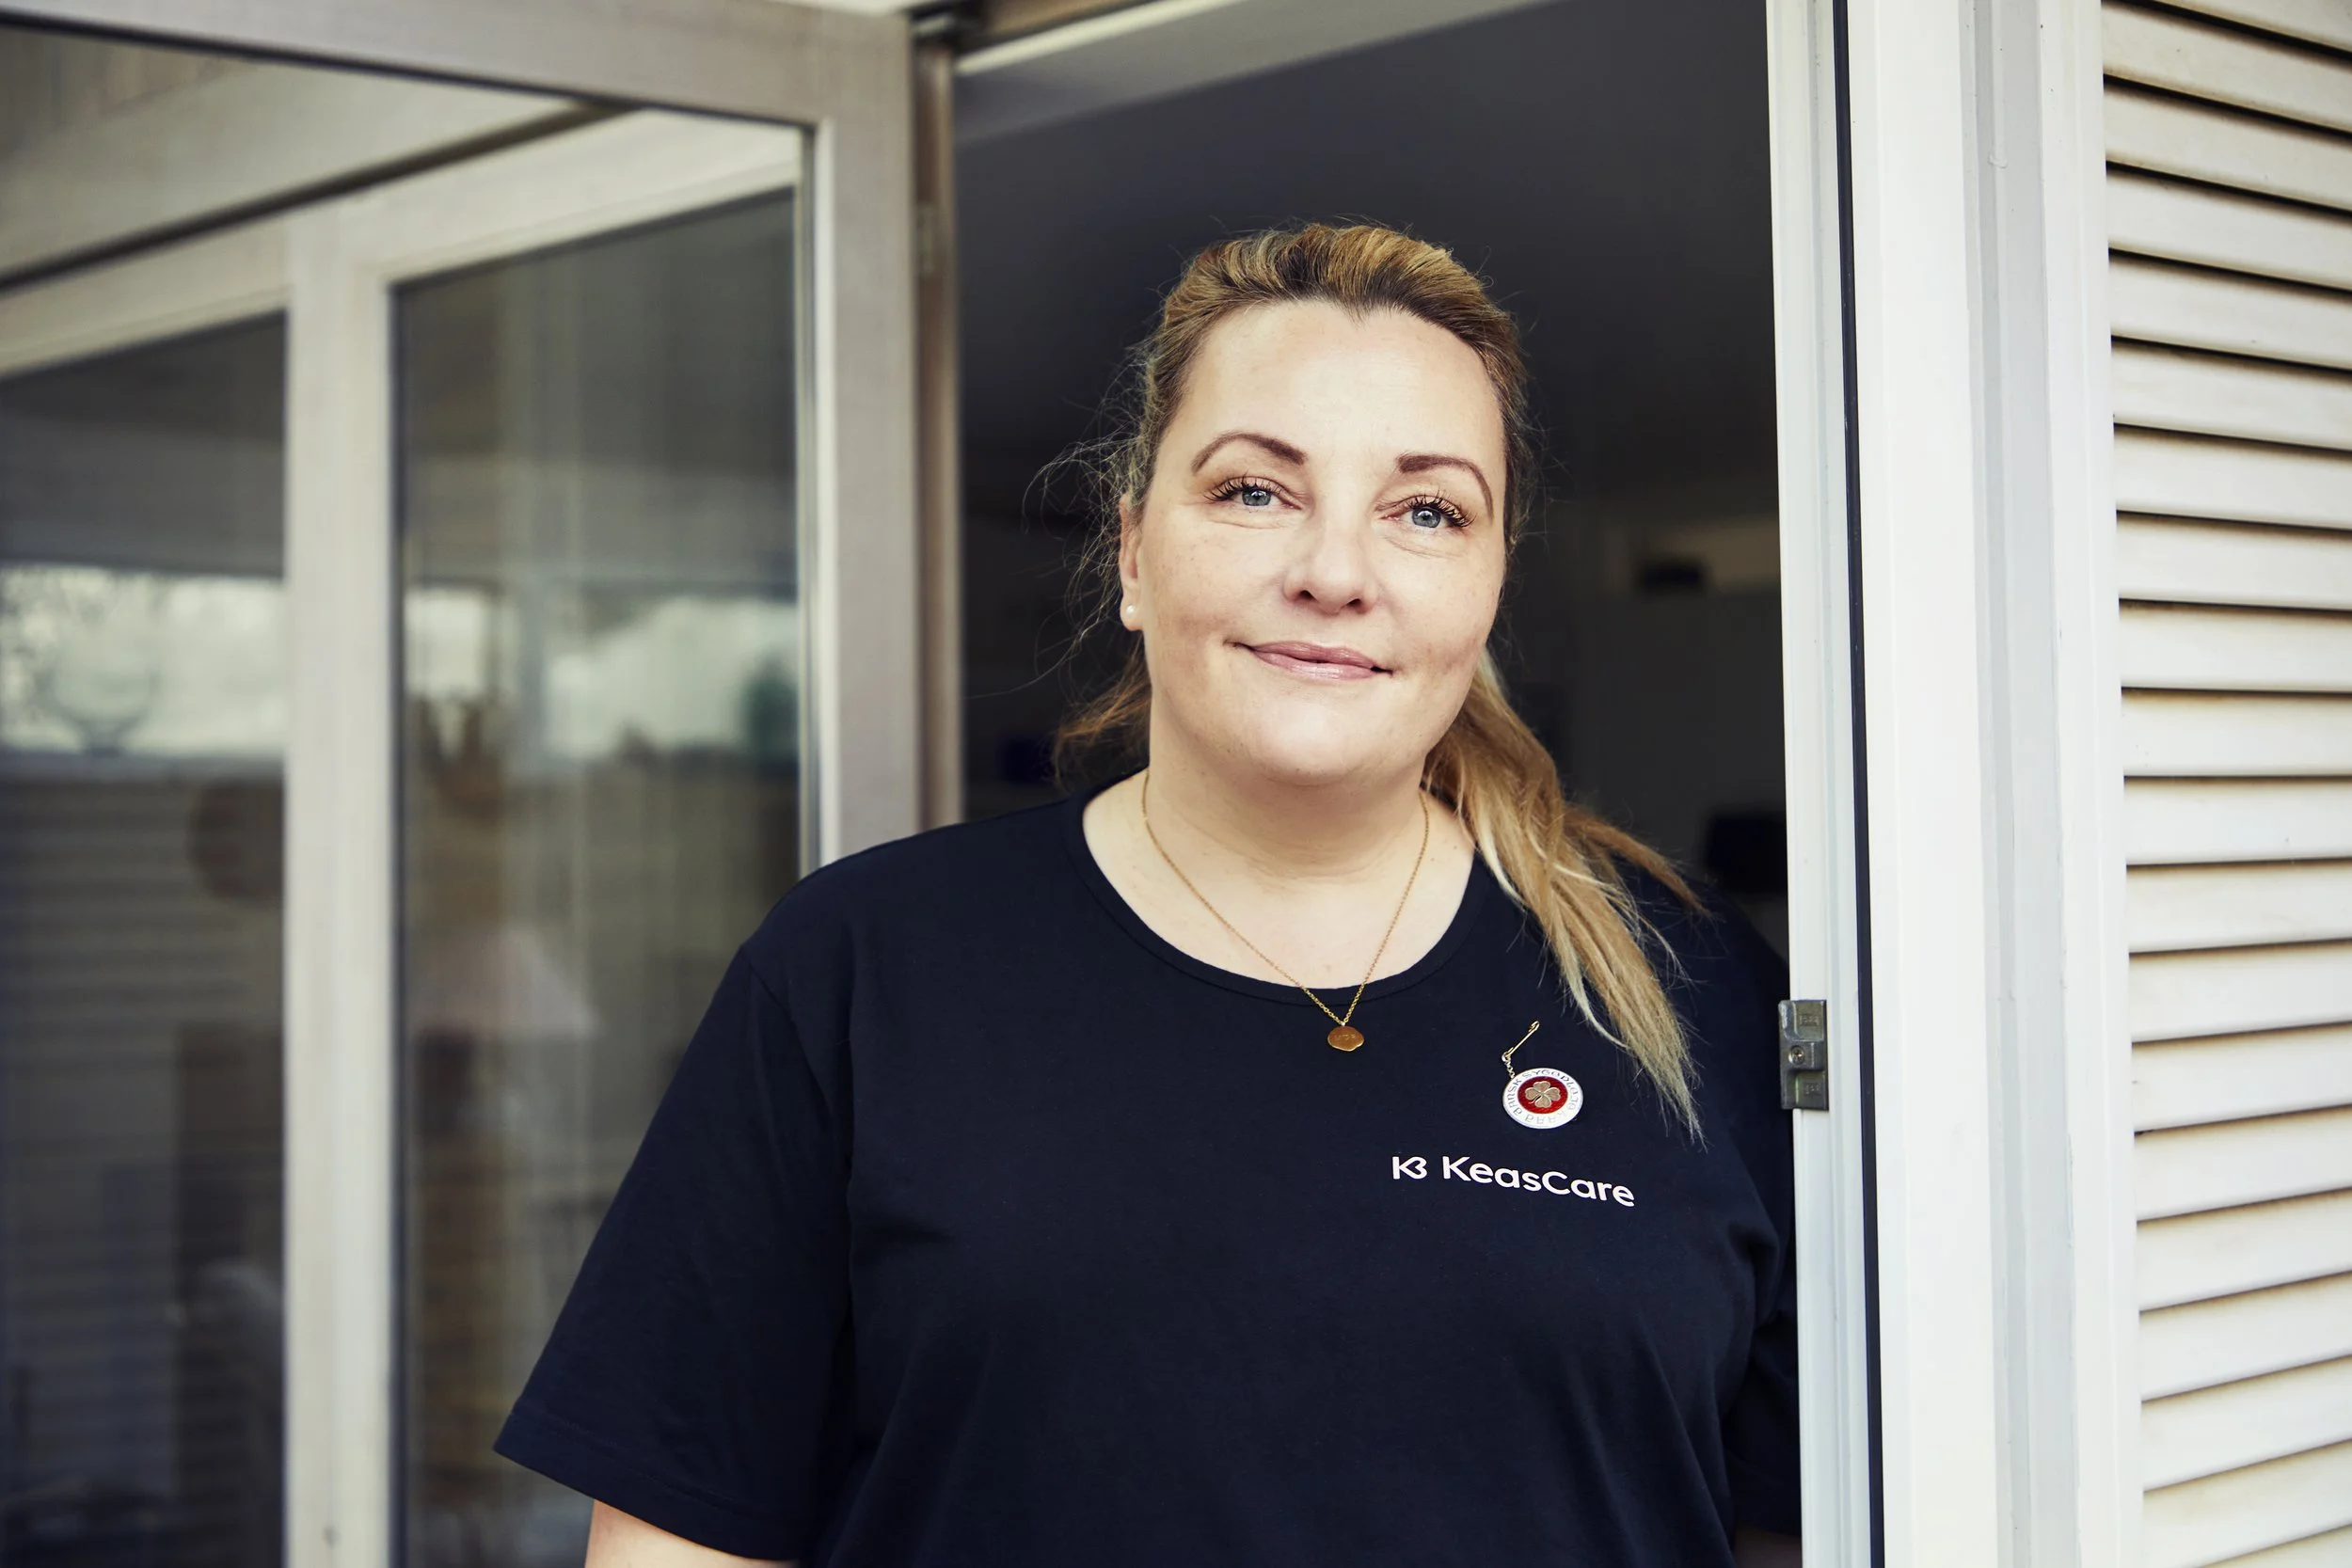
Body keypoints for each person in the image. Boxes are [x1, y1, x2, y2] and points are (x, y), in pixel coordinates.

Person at [496, 223, 1801, 1567]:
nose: (1335, 572)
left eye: (1427, 511)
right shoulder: (862, 970)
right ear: (1131, 553)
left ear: (1490, 580)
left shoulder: (1689, 987)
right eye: (1256, 491)